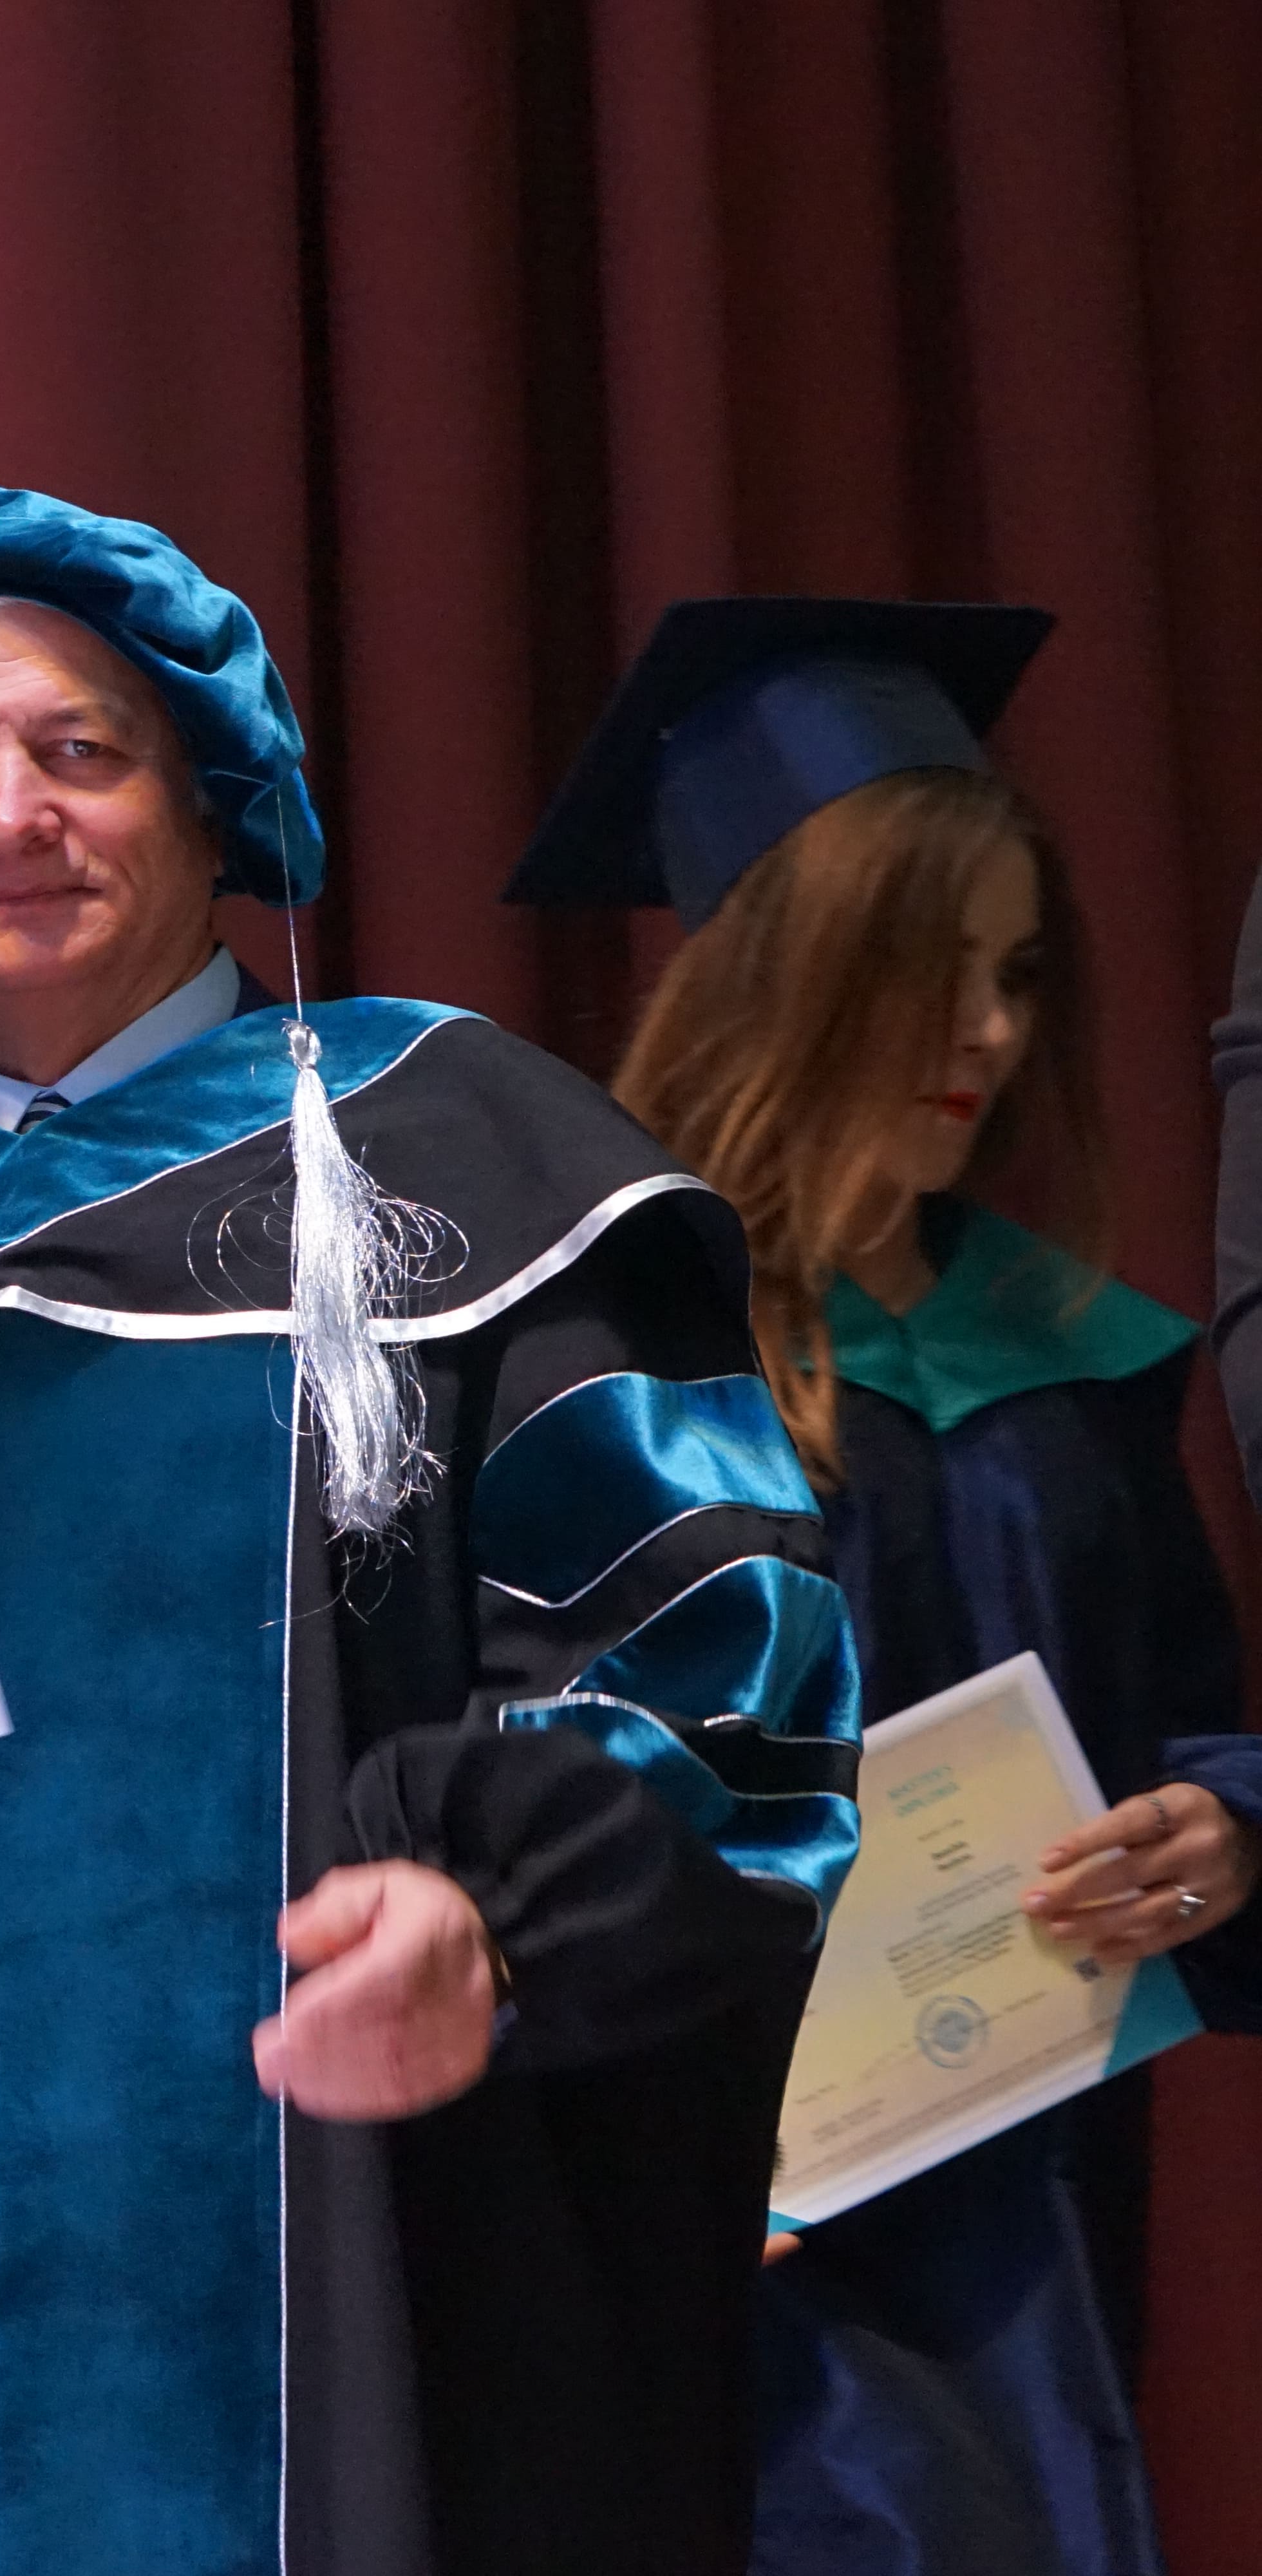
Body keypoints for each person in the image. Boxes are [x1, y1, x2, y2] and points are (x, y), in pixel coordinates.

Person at [0, 480, 862, 2576]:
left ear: (208, 796)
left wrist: (496, 1922)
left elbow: (725, 1684)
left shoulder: (467, 1167)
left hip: (372, 2255)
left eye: (80, 752)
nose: (9, 816)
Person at [527, 597, 1262, 2576]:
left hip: (1029, 2201)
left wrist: (1221, 1835)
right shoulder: (600, 1354)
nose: (992, 1034)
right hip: (722, 2227)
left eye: (1017, 976)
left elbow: (1193, 1721)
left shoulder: (1073, 1364)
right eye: (931, 970)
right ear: (793, 969)